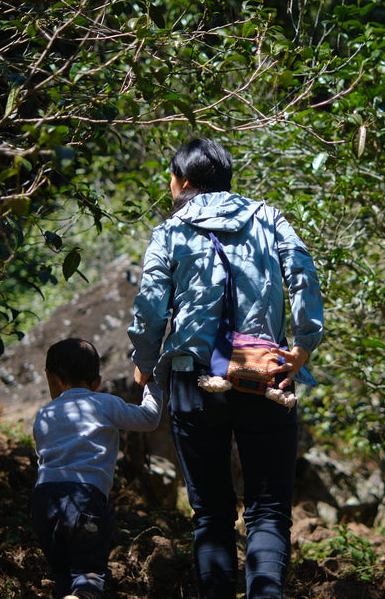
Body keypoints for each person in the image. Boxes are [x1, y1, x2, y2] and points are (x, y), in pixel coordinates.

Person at [128, 137, 324, 599]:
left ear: (184, 182)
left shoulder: (170, 231)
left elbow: (151, 307)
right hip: (266, 375)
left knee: (211, 512)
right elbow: (304, 274)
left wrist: (142, 362)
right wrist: (304, 344)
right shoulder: (268, 217)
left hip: (192, 379)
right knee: (269, 509)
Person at [29, 338, 163, 599]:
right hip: (84, 499)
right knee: (88, 574)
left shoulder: (44, 413)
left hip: (43, 500)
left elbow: (42, 459)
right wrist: (152, 384)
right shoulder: (106, 403)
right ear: (97, 382)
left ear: (51, 378)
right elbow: (149, 419)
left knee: (62, 573)